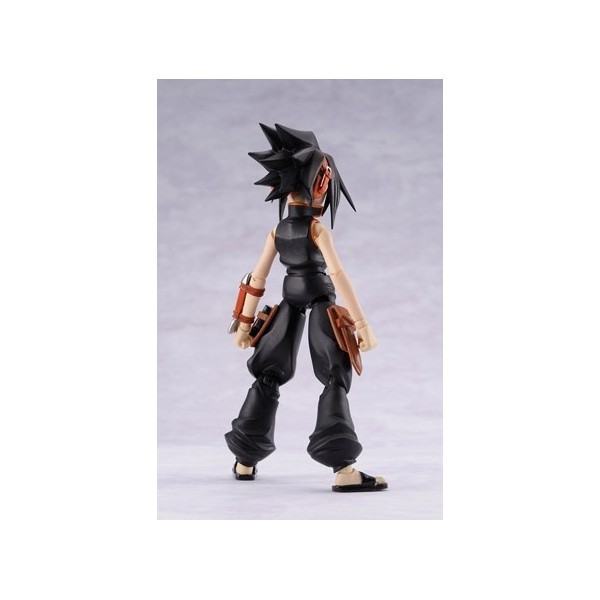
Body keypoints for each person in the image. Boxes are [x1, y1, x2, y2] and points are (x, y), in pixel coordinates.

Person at [225, 123, 387, 492]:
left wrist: (245, 324)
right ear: (319, 183)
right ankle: (344, 469)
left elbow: (257, 278)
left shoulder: (277, 231)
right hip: (318, 300)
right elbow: (338, 274)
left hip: (290, 302)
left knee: (267, 374)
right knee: (334, 377)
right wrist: (362, 324)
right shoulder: (316, 231)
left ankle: (245, 459)